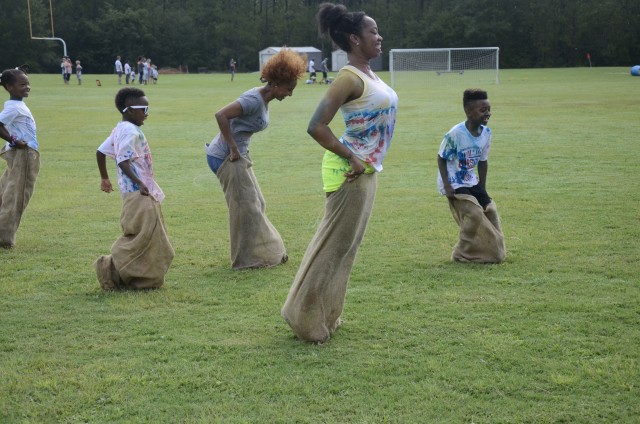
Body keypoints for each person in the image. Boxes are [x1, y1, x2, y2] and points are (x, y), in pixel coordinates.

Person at [281, 3, 398, 343]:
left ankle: (328, 316)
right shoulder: (349, 77)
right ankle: (303, 319)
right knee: (332, 249)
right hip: (348, 172)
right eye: (372, 32)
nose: (379, 37)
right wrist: (351, 157)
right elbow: (316, 126)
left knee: (346, 250)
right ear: (354, 39)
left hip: (365, 171)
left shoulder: (370, 74)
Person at [205, 48, 306, 270]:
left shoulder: (263, 99)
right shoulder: (253, 99)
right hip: (225, 157)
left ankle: (258, 254)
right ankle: (247, 260)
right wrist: (232, 147)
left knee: (257, 203)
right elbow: (220, 115)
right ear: (277, 83)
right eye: (289, 89)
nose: (289, 94)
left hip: (238, 155)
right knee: (245, 208)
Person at [94, 87, 174, 290]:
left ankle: (142, 279)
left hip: (133, 193)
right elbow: (122, 160)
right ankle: (109, 268)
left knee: (145, 235)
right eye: (143, 109)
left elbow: (100, 151)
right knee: (145, 236)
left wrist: (105, 178)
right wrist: (140, 183)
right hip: (139, 193)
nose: (147, 113)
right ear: (129, 109)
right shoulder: (129, 130)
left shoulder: (120, 128)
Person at [437, 89, 505, 263]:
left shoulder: (486, 133)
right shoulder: (455, 133)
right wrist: (446, 185)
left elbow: (483, 161)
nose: (488, 113)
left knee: (491, 209)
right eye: (483, 110)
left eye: (489, 109)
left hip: (470, 179)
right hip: (453, 180)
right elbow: (441, 157)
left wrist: (482, 186)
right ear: (469, 112)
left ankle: (494, 250)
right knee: (474, 213)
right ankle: (461, 252)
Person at [0, 68, 39, 249]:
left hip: (21, 153)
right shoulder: (14, 107)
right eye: (22, 84)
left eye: (28, 83)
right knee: (17, 196)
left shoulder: (15, 105)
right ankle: (4, 239)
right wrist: (14, 140)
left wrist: (13, 140)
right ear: (9, 87)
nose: (27, 87)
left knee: (6, 191)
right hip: (24, 155)